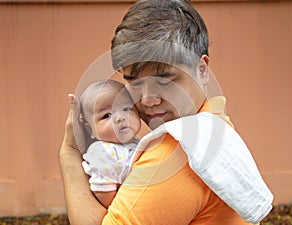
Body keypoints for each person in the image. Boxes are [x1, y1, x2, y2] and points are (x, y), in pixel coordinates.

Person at [59, 0, 272, 224]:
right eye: (135, 83)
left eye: (164, 80)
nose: (148, 100)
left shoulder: (178, 151)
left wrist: (70, 152)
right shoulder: (213, 123)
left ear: (202, 69)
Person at [79, 80, 142, 208]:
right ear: (91, 130)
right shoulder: (102, 152)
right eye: (107, 115)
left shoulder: (138, 142)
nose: (120, 117)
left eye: (126, 109)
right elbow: (102, 190)